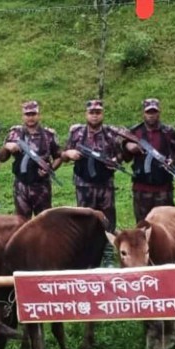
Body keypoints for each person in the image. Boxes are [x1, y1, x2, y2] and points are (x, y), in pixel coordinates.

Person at [61, 99, 121, 266]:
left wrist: (115, 160)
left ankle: (108, 255)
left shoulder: (111, 134)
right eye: (92, 112)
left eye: (98, 112)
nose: (95, 116)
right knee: (85, 220)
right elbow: (63, 155)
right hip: (83, 184)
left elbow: (121, 155)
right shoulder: (77, 133)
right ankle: (86, 255)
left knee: (108, 220)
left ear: (102, 114)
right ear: (86, 114)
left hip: (105, 184)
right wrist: (69, 153)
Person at [122, 98, 175, 223]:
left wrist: (172, 159)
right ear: (143, 114)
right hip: (141, 188)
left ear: (159, 113)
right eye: (148, 112)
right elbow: (125, 157)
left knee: (165, 225)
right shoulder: (134, 132)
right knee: (143, 225)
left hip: (164, 188)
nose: (151, 115)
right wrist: (128, 147)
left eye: (154, 112)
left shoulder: (169, 132)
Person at [0, 101, 62, 219]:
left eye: (33, 114)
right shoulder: (14, 134)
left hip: (42, 186)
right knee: (21, 223)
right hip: (21, 186)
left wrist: (50, 168)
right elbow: (1, 158)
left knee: (44, 222)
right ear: (23, 116)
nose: (30, 117)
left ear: (38, 115)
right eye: (27, 114)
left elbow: (59, 157)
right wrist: (7, 147)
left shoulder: (49, 135)